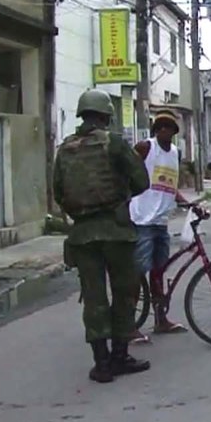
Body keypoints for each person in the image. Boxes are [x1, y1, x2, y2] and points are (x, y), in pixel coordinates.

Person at [52, 89, 151, 383]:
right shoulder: (115, 143)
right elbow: (142, 182)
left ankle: (101, 364)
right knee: (124, 293)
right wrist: (120, 196)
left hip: (82, 235)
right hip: (116, 231)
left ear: (82, 115)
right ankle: (120, 356)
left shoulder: (65, 148)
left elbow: (58, 192)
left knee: (94, 298)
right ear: (107, 116)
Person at [130, 112, 197, 337]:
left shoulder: (175, 154)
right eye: (163, 128)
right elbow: (125, 172)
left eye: (171, 129)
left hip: (161, 222)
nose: (167, 132)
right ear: (156, 130)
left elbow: (169, 187)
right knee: (137, 272)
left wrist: (189, 204)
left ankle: (161, 319)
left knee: (158, 272)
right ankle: (128, 324)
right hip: (142, 220)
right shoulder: (145, 148)